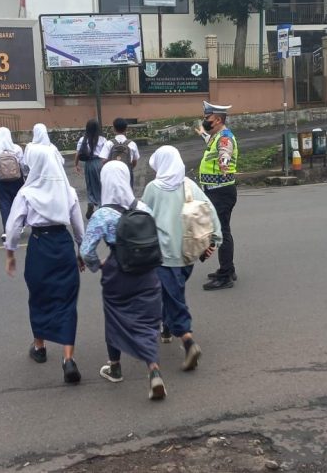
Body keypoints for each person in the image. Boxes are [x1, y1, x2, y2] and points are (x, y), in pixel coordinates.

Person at [80, 161, 167, 400]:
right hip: (147, 272)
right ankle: (154, 369)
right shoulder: (144, 209)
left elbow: (86, 251)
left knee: (115, 317)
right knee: (147, 320)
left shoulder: (102, 215)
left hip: (118, 273)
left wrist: (99, 265)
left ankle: (115, 366)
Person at [4, 144, 85, 384]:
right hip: (63, 245)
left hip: (40, 246)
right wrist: (81, 252)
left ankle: (39, 346)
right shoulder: (68, 191)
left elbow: (13, 226)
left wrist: (10, 254)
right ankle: (68, 358)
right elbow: (79, 228)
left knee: (39, 296)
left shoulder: (27, 193)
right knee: (67, 300)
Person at [141, 146, 221, 370]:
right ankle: (167, 326)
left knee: (174, 297)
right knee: (173, 292)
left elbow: (143, 219)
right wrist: (214, 240)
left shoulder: (152, 189)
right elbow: (210, 211)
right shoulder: (190, 185)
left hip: (163, 255)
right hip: (188, 253)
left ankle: (188, 339)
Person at [196, 101, 239, 291]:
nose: (205, 120)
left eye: (207, 118)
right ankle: (228, 269)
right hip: (216, 191)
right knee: (222, 231)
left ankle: (225, 276)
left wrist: (224, 163)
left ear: (218, 119)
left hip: (221, 191)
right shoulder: (216, 136)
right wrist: (203, 133)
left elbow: (224, 154)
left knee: (222, 232)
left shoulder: (224, 139)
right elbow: (212, 146)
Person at [0, 127, 25, 243]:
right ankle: (18, 227)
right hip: (16, 180)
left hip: (0, 181)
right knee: (18, 203)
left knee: (4, 205)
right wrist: (24, 175)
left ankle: (6, 230)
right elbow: (22, 164)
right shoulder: (16, 149)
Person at [74, 119, 107, 220]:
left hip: (89, 164)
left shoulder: (82, 140)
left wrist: (76, 165)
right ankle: (102, 205)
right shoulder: (103, 140)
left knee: (90, 184)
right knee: (101, 185)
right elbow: (106, 155)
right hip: (100, 163)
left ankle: (90, 202)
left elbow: (78, 154)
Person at [101, 117, 140, 187]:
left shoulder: (108, 143)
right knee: (128, 193)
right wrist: (128, 168)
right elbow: (135, 161)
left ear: (114, 129)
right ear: (126, 129)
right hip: (127, 172)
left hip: (113, 174)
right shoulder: (132, 144)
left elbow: (103, 161)